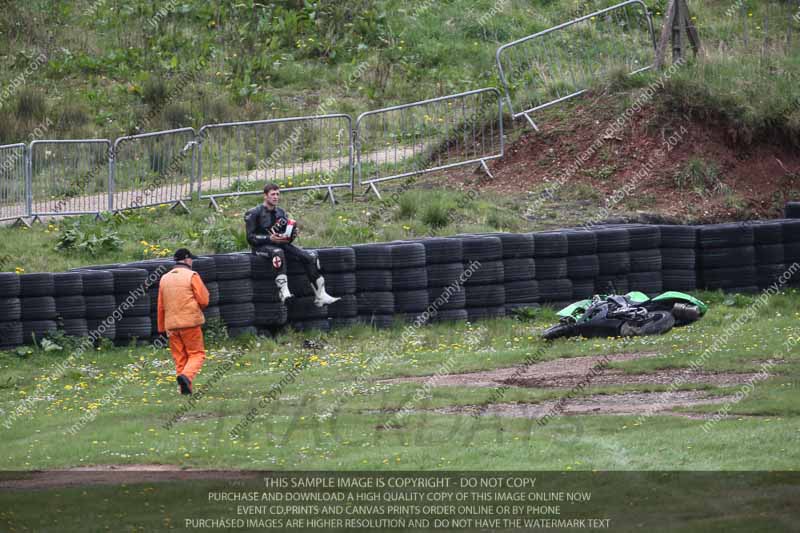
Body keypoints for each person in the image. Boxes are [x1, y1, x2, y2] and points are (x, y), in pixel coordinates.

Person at [244, 183, 340, 307]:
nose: (276, 197)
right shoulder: (253, 213)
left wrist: (292, 234)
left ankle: (321, 295)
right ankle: (284, 292)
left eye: (278, 194)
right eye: (272, 194)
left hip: (280, 244)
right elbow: (250, 238)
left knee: (310, 257)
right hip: (260, 247)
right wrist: (269, 238)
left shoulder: (281, 212)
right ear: (265, 196)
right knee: (278, 253)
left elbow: (286, 237)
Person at [157, 248, 210, 395]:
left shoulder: (164, 278)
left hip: (171, 325)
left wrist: (161, 328)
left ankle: (184, 390)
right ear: (187, 259)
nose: (192, 261)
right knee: (197, 354)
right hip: (190, 323)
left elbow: (160, 306)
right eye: (191, 259)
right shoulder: (192, 275)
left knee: (180, 358)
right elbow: (204, 299)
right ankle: (186, 377)